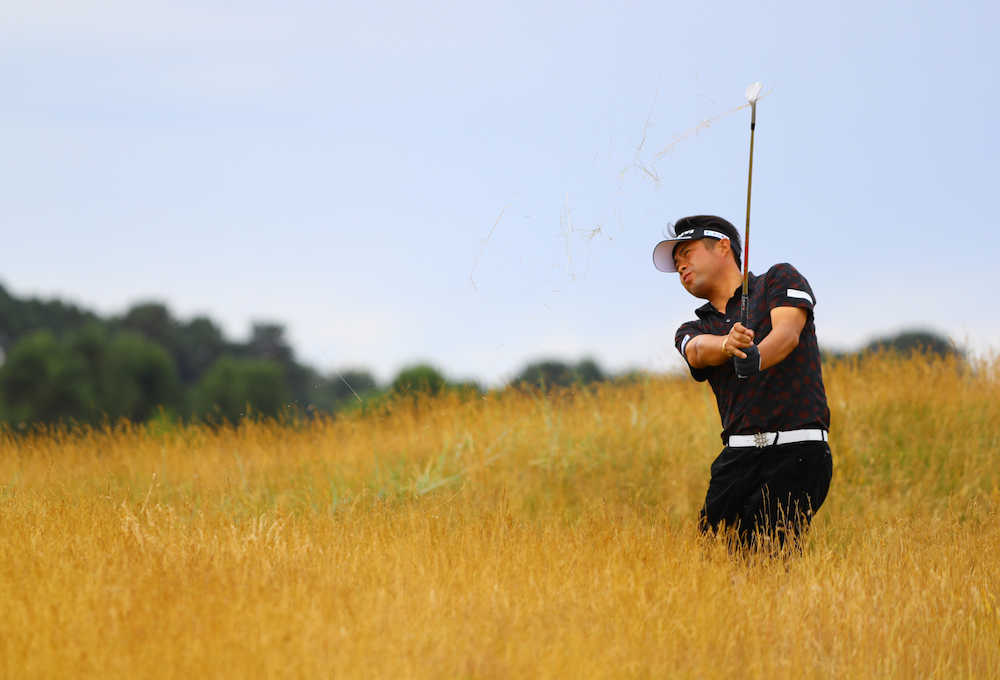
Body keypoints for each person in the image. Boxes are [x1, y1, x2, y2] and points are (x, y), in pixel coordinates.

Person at [652, 215, 833, 551]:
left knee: (765, 562)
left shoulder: (778, 280)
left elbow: (788, 333)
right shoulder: (694, 328)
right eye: (676, 263)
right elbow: (696, 352)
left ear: (723, 247)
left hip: (797, 452)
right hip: (737, 459)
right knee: (716, 570)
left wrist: (756, 356)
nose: (680, 266)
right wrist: (726, 345)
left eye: (687, 253)